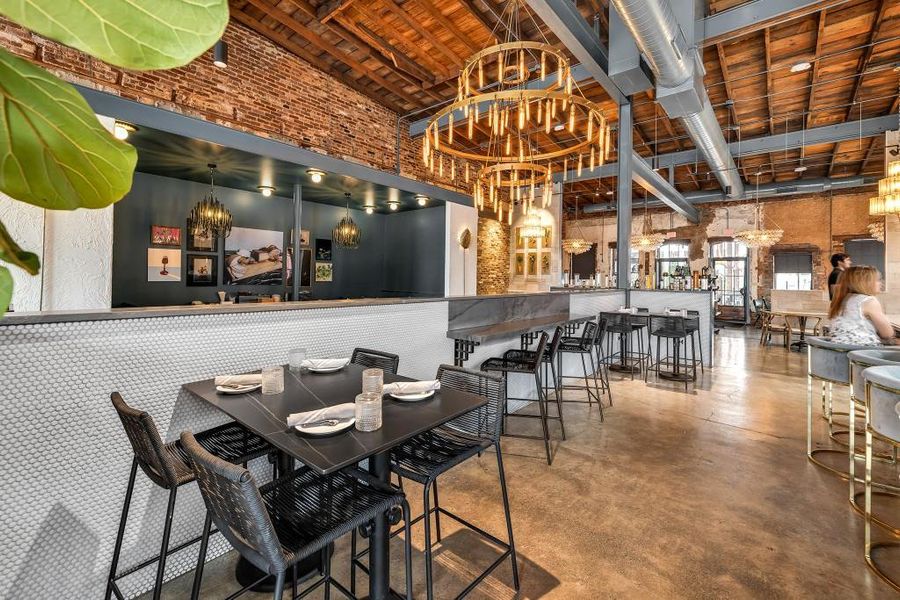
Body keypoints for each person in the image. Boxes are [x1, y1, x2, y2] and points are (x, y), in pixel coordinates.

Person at [828, 265, 895, 346]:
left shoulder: (842, 300)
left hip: (840, 350)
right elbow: (888, 333)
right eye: (878, 280)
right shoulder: (869, 301)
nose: (881, 283)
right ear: (865, 282)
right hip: (862, 352)